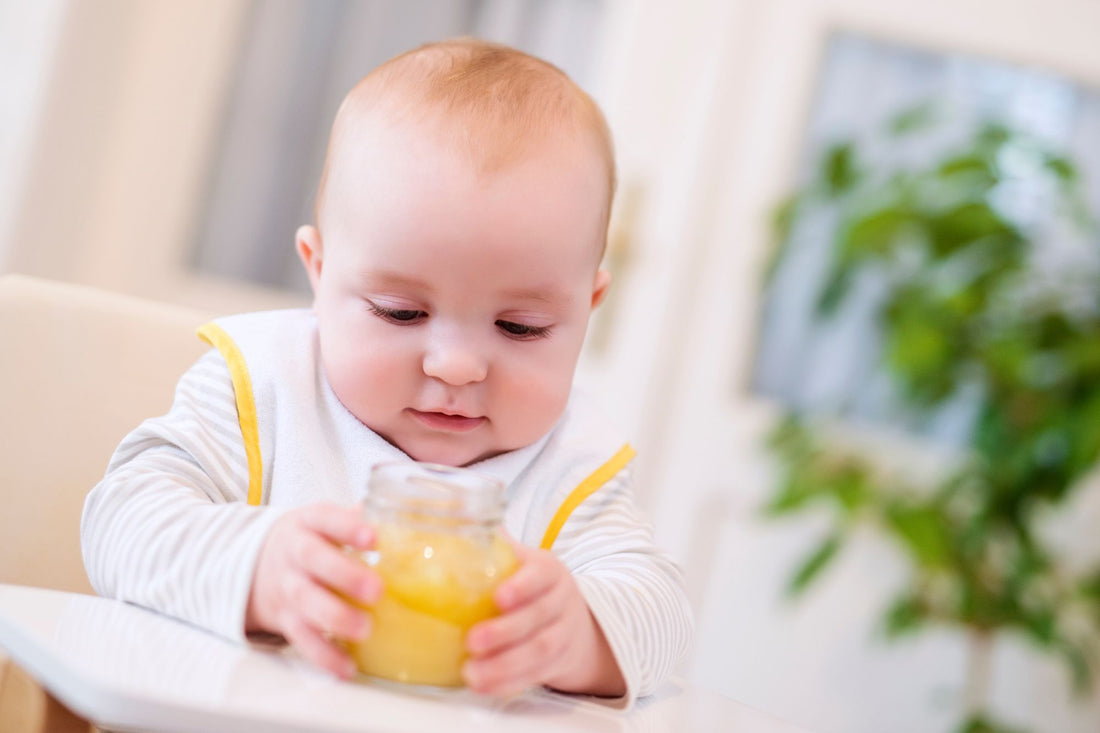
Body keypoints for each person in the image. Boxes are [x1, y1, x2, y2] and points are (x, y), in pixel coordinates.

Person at [81, 38, 692, 706]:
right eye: (402, 313)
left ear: (588, 309)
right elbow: (118, 520)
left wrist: (580, 632)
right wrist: (255, 566)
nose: (456, 364)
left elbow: (662, 614)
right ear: (318, 272)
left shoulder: (572, 465)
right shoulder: (263, 391)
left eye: (520, 327)